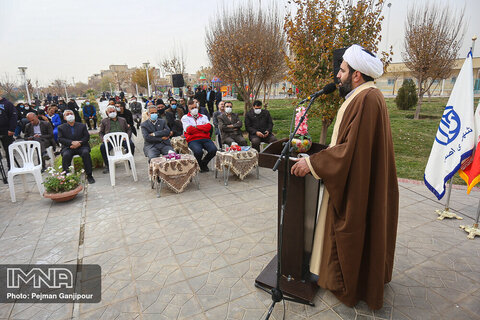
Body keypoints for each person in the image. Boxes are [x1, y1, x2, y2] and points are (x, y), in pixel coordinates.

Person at [290, 44, 398, 310]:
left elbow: (350, 152)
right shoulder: (364, 96)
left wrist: (313, 163)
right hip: (362, 178)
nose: (338, 76)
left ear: (357, 75)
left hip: (358, 184)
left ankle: (350, 285)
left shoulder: (366, 99)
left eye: (342, 70)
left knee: (352, 228)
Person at [57, 110, 95, 184]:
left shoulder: (82, 125)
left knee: (86, 153)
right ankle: (66, 176)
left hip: (82, 146)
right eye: (67, 114)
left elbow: (86, 137)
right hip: (68, 147)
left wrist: (79, 143)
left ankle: (89, 175)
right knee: (66, 155)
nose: (70, 115)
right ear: (64, 118)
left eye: (71, 114)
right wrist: (71, 143)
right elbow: (60, 139)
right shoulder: (61, 127)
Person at [181, 99, 217, 172]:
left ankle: (202, 164)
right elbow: (189, 130)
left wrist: (196, 127)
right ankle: (200, 165)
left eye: (195, 107)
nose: (194, 109)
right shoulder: (185, 118)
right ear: (189, 109)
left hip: (205, 138)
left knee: (213, 150)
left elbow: (209, 127)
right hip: (193, 139)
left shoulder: (203, 116)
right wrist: (202, 128)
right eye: (192, 108)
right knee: (198, 152)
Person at [99, 106, 135, 174]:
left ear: (116, 111)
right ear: (107, 113)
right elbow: (101, 132)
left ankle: (130, 162)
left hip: (122, 139)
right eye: (110, 112)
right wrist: (104, 139)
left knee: (131, 144)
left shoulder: (122, 120)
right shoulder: (104, 121)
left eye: (113, 111)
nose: (112, 113)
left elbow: (129, 130)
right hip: (110, 140)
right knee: (103, 147)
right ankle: (108, 165)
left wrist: (127, 137)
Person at [0, 94, 17, 170]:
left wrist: (12, 129)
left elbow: (13, 117)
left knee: (8, 150)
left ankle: (11, 167)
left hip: (6, 131)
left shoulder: (7, 104)